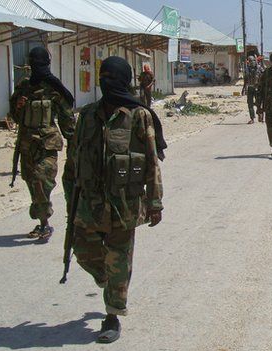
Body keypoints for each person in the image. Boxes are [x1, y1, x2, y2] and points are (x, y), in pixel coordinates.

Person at [70, 56, 166, 343]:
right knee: (83, 251)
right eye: (103, 77)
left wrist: (155, 203)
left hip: (124, 204)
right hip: (89, 203)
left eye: (112, 77)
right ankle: (107, 280)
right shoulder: (87, 115)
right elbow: (73, 161)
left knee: (119, 261)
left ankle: (112, 314)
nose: (106, 82)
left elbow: (151, 161)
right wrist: (69, 200)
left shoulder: (139, 116)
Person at [9, 47, 74, 241]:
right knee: (31, 181)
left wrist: (75, 142)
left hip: (47, 144)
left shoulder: (54, 88)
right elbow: (15, 115)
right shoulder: (23, 86)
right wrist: (18, 106)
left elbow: (66, 116)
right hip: (27, 144)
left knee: (41, 181)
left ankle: (45, 221)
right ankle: (42, 221)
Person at [244, 56, 263, 124]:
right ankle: (252, 118)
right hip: (250, 88)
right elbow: (245, 79)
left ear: (255, 61)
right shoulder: (247, 69)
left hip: (257, 88)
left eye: (253, 60)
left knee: (258, 103)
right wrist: (244, 88)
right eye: (250, 61)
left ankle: (260, 114)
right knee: (250, 103)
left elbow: (264, 77)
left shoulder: (259, 68)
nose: (251, 62)